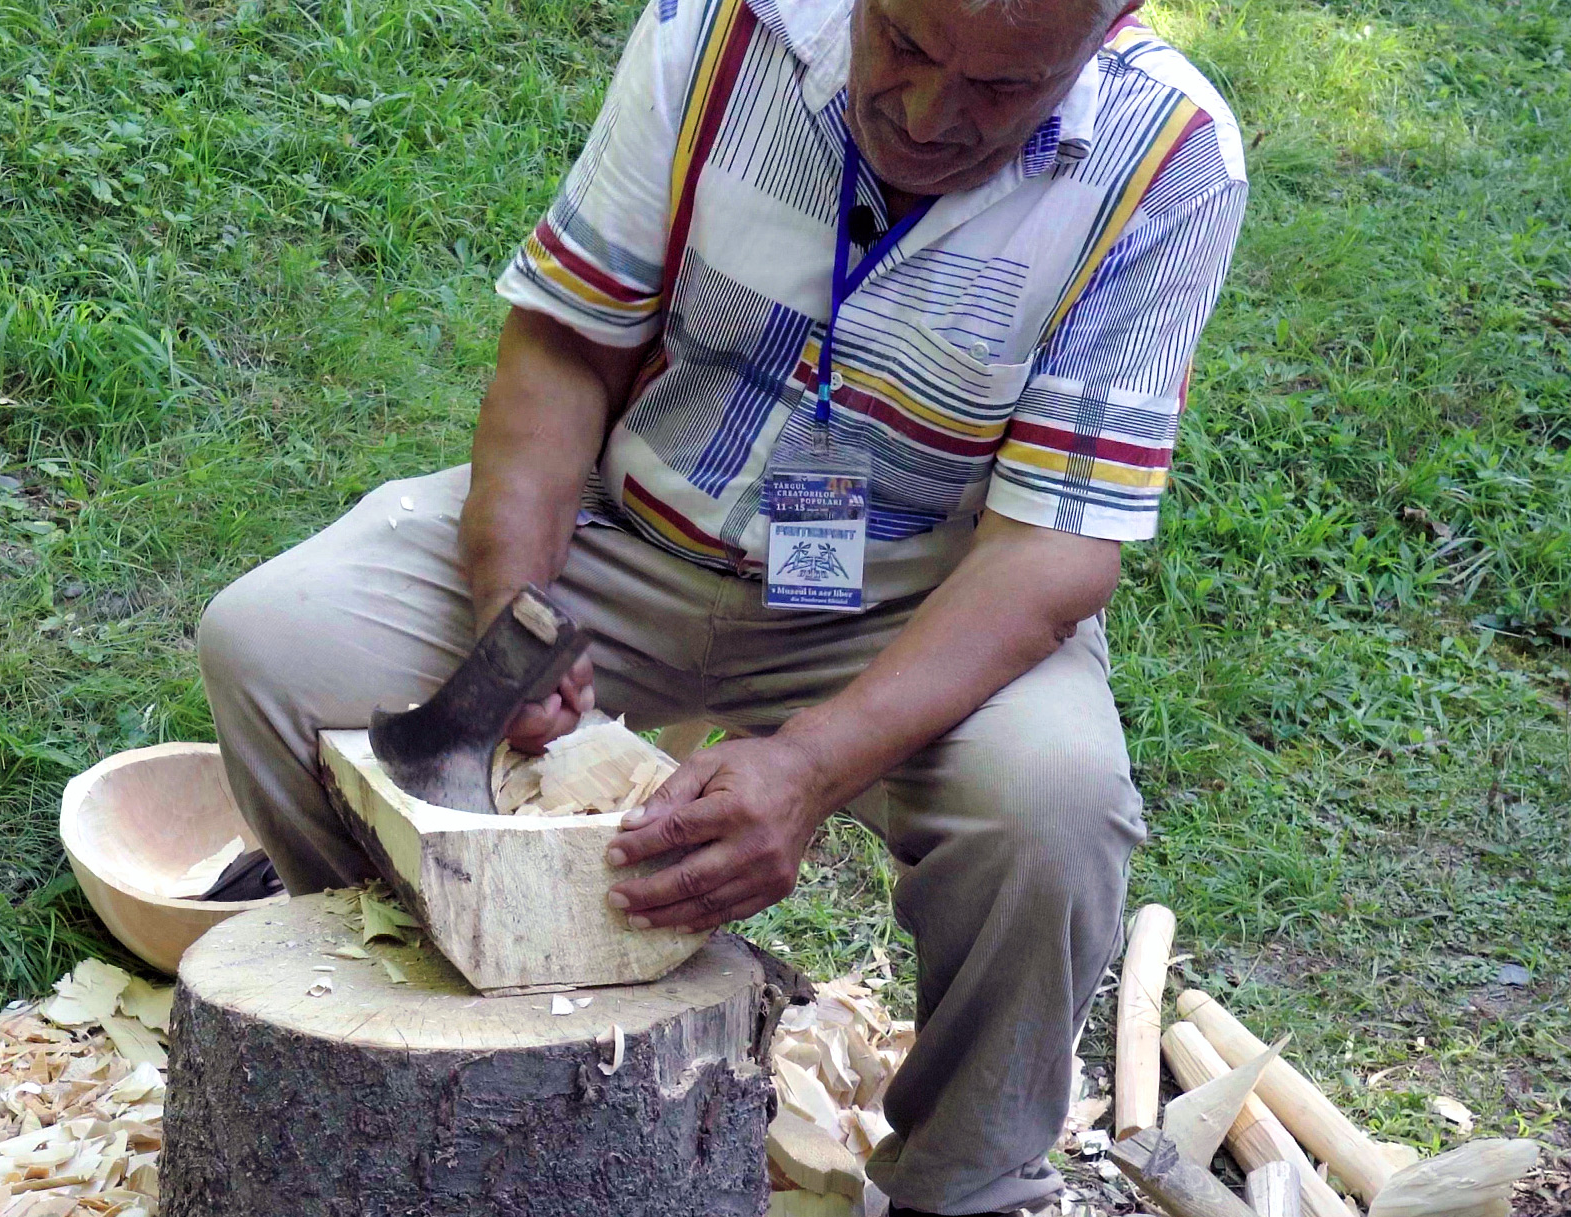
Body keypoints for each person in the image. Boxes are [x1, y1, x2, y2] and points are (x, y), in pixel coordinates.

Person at [199, 0, 1246, 1207]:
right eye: (902, 46)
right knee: (273, 642)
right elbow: (562, 348)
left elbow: (1051, 553)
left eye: (1000, 90)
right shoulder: (717, 27)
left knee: (1051, 810)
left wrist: (803, 766)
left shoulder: (1166, 156)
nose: (924, 115)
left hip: (915, 597)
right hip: (629, 526)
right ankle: (426, 1025)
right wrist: (515, 608)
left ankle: (959, 1181)